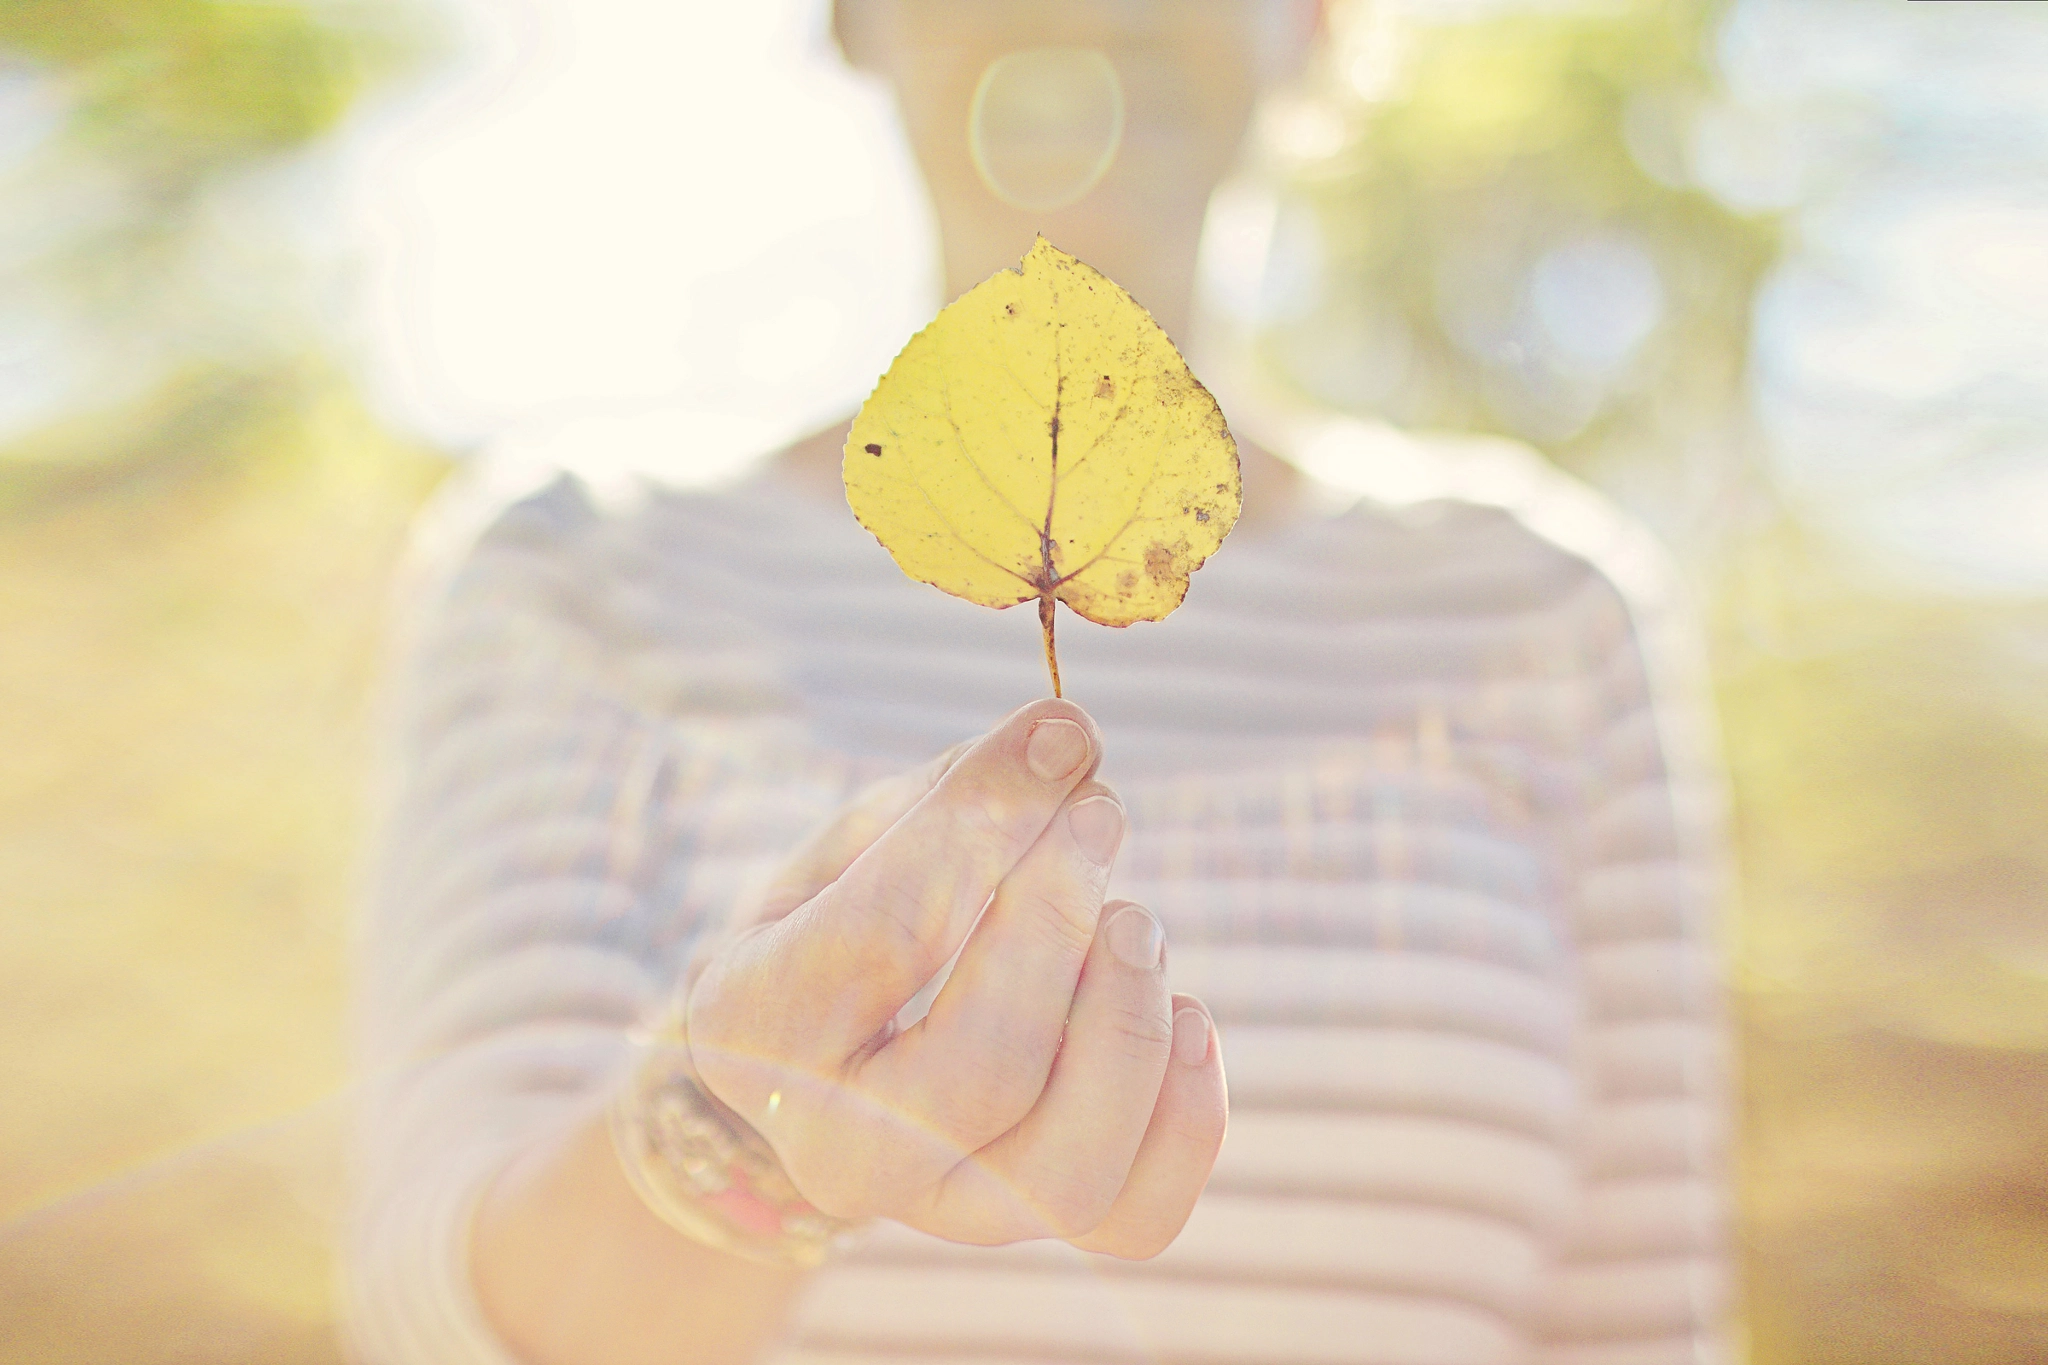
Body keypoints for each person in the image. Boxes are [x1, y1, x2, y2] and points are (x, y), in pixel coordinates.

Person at [345, 1, 1733, 1362]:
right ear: (851, 15)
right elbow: (437, 1325)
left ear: (1311, 18)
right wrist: (751, 1145)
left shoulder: (1537, 619)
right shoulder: (591, 574)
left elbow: (1640, 1327)